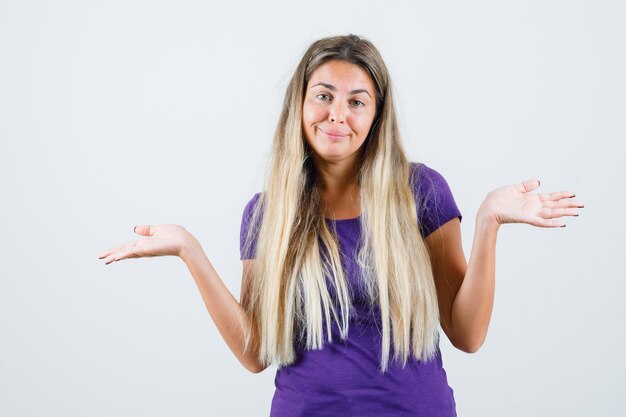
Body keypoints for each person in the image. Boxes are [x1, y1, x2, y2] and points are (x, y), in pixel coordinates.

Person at [99, 34, 584, 416]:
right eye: (324, 96)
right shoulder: (267, 213)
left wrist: (488, 223)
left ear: (376, 115)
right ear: (301, 105)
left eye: (357, 101)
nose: (337, 114)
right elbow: (254, 354)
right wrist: (190, 250)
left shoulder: (421, 191)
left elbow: (466, 334)